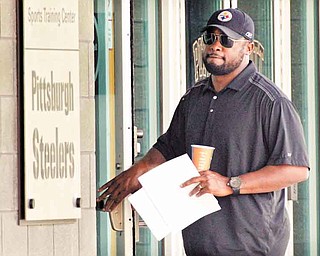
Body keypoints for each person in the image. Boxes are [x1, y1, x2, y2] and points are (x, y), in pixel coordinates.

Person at [97, 8, 309, 256]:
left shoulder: (270, 102)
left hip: (252, 246)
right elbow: (169, 147)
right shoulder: (194, 96)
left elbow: (296, 170)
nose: (216, 46)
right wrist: (138, 171)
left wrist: (230, 184)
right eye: (211, 37)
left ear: (248, 48)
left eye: (226, 40)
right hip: (199, 243)